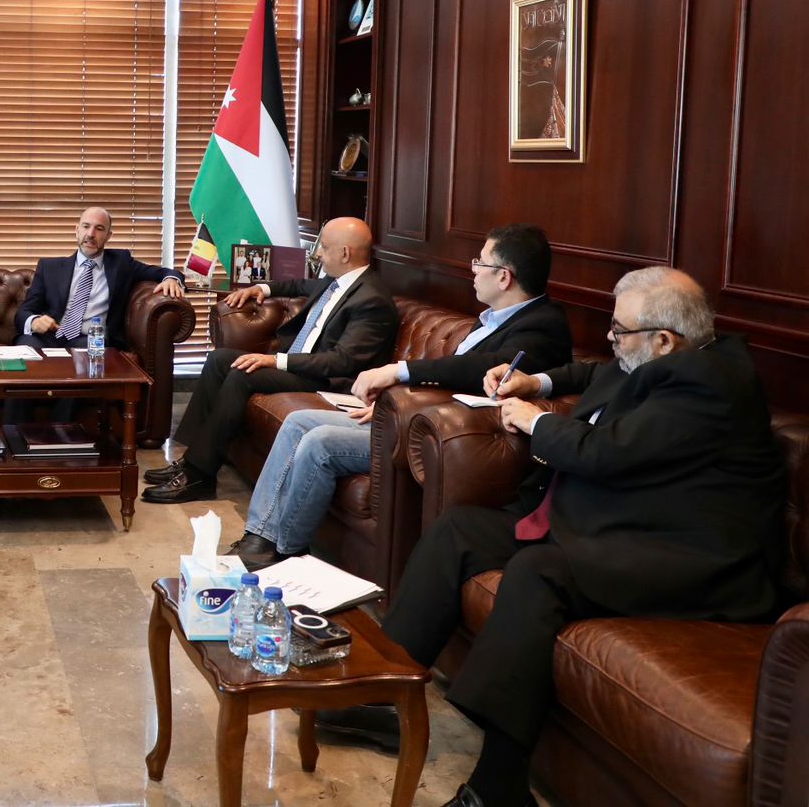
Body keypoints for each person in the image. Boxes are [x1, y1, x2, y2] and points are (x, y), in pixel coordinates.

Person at [318, 267, 787, 807]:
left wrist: (534, 421)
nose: (610, 339)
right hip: (615, 523)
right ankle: (387, 696)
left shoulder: (712, 383)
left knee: (540, 572)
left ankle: (498, 787)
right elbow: (596, 372)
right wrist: (534, 382)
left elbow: (607, 453)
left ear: (664, 339)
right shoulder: (665, 357)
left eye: (619, 331)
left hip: (689, 556)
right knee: (459, 529)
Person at [229, 225, 573, 569]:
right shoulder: (493, 318)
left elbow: (476, 370)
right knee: (298, 422)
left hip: (449, 437)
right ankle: (260, 535)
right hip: (416, 418)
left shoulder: (542, 326)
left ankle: (284, 554)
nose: (472, 269)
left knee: (320, 443)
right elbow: (456, 379)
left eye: (479, 262)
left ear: (503, 277)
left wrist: (400, 374)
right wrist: (390, 407)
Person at [142, 217, 399, 504]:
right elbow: (300, 284)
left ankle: (200, 476)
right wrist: (262, 289)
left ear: (345, 253)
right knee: (219, 359)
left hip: (328, 381)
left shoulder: (371, 300)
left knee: (243, 373)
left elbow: (340, 362)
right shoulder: (338, 280)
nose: (317, 254)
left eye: (324, 248)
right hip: (305, 366)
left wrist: (276, 360)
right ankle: (192, 459)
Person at [15, 206, 186, 351]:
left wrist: (171, 279)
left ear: (108, 236)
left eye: (99, 228)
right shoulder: (49, 268)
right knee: (26, 346)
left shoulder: (121, 263)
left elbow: (163, 272)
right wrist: (34, 321)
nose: (91, 234)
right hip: (48, 337)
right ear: (76, 230)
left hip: (90, 340)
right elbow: (24, 312)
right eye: (86, 226)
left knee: (90, 352)